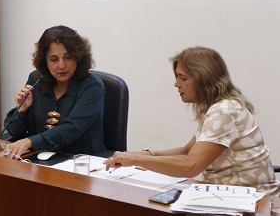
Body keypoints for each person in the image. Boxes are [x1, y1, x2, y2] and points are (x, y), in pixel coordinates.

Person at [105, 46, 279, 195]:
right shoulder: (219, 107)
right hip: (232, 197)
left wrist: (136, 161)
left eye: (183, 78)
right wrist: (140, 154)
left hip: (256, 203)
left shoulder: (225, 111)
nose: (176, 84)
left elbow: (191, 166)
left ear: (204, 79)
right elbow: (187, 151)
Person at [4, 26, 105, 158]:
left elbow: (72, 129)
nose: (61, 65)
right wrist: (22, 111)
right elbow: (13, 132)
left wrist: (29, 142)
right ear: (44, 61)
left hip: (81, 163)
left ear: (78, 58)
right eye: (53, 59)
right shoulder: (36, 80)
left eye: (68, 57)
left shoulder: (92, 87)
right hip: (39, 161)